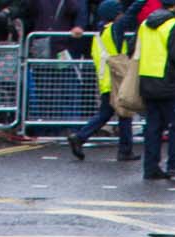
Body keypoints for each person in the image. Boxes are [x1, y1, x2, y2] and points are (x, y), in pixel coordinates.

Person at [67, 0, 136, 160]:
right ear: (114, 15)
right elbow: (132, 12)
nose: (122, 15)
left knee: (108, 113)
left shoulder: (100, 34)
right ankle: (124, 151)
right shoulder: (114, 29)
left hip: (106, 81)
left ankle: (81, 137)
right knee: (123, 113)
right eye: (119, 12)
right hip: (116, 79)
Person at [135, 0, 175, 181]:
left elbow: (133, 48)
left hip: (146, 78)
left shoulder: (145, 24)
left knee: (153, 126)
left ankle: (151, 167)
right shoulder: (173, 24)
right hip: (168, 79)